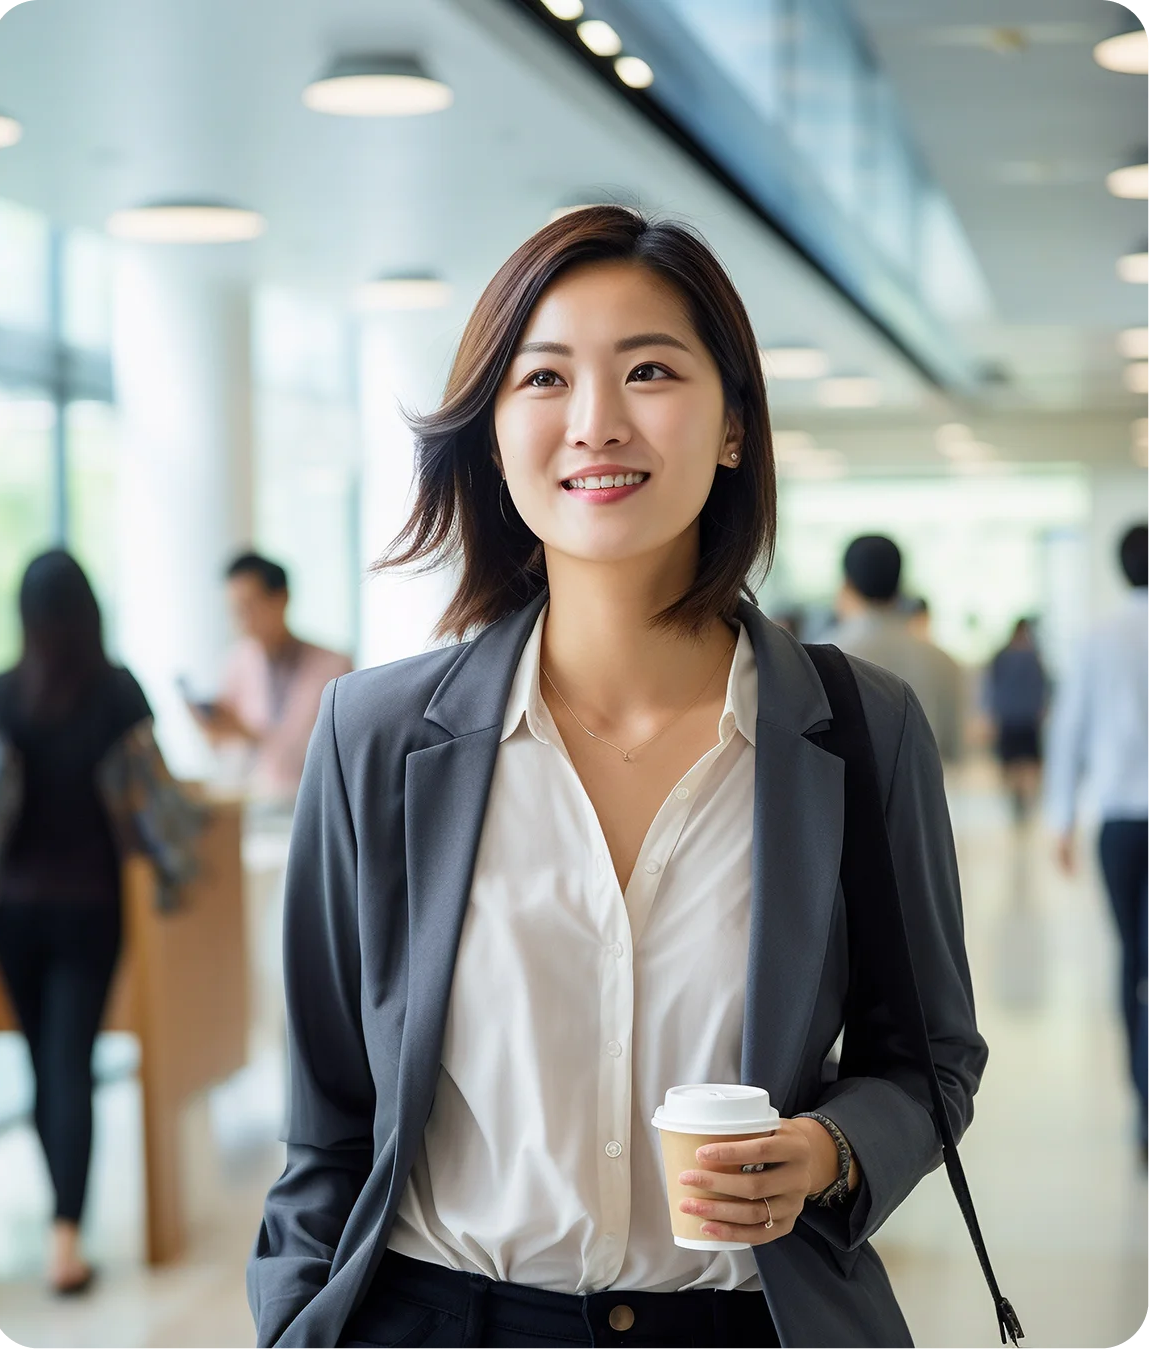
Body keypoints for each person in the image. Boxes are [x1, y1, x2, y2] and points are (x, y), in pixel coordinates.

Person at [247, 207, 986, 1349]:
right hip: (441, 1317)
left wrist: (829, 1150)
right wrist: (294, 1321)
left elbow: (928, 1059)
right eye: (544, 378)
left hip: (744, 1324)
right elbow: (330, 1120)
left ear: (734, 425)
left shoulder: (854, 726)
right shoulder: (378, 735)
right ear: (493, 433)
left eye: (648, 369)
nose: (596, 422)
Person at [0, 551, 200, 1295]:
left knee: (47, 1067)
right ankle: (65, 1240)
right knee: (70, 1061)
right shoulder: (116, 691)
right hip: (91, 909)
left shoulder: (1, 695)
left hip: (11, 912)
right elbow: (155, 797)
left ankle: (61, 1226)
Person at [1045, 523, 1149, 1163]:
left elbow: (1070, 731)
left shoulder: (1099, 637)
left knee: (1131, 961)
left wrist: (1060, 817)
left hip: (1118, 823)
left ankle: (1142, 1103)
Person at [190, 552, 352, 803]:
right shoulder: (237, 662)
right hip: (256, 802)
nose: (242, 621)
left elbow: (329, 754)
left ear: (282, 598)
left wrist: (249, 734)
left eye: (250, 607)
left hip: (315, 801)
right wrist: (215, 731)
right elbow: (226, 754)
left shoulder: (334, 666)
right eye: (235, 610)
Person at [828, 536, 965, 764]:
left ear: (847, 584)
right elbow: (953, 748)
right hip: (924, 792)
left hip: (847, 795)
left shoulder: (828, 653)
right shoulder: (943, 660)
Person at [985, 618, 1048, 824]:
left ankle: (1021, 802)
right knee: (1019, 763)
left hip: (1017, 718)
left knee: (1020, 763)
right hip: (1018, 718)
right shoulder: (1030, 658)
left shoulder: (1011, 657)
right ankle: (1019, 802)